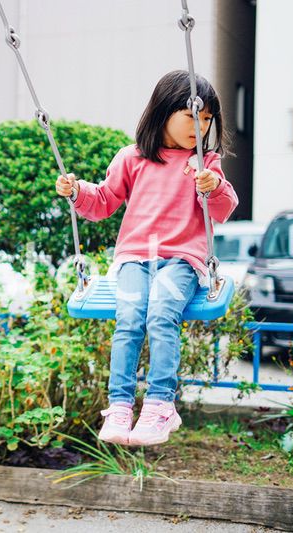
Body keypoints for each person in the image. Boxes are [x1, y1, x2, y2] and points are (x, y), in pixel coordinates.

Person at [55, 70, 238, 446]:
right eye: (192, 116)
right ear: (163, 111)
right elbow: (103, 201)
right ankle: (120, 406)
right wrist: (76, 191)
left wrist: (213, 185)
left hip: (182, 260)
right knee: (129, 320)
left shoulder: (205, 163)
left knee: (161, 314)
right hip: (135, 258)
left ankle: (159, 405)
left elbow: (223, 208)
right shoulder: (132, 158)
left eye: (207, 120)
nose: (200, 127)